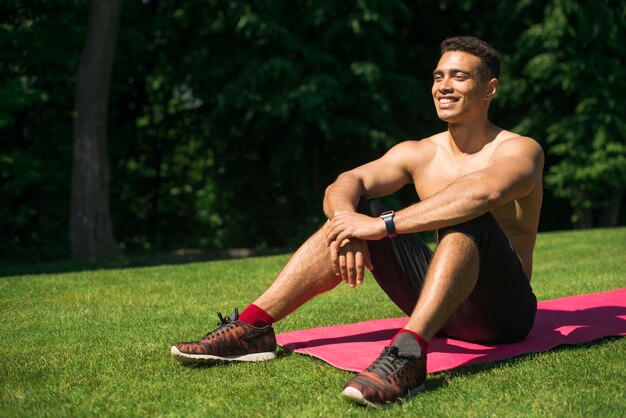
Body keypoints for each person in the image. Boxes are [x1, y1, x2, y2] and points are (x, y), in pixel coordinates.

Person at [171, 36, 544, 408]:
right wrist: (347, 223)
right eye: (438, 76)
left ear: (489, 88)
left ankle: (408, 356)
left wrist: (382, 226)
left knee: (467, 217)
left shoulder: (519, 149)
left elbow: (482, 193)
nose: (444, 86)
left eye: (459, 76)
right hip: (443, 303)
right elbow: (347, 181)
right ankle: (253, 328)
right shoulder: (419, 152)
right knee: (354, 212)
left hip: (501, 316)